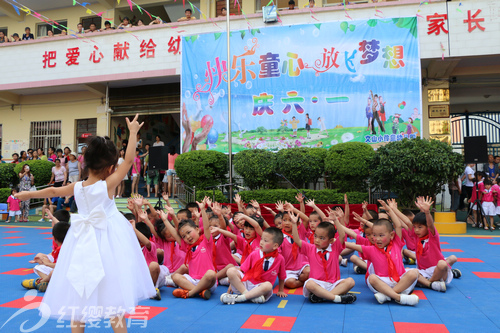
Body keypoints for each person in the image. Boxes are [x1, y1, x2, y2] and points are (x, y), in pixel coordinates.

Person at [15, 114, 156, 329]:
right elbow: (128, 161)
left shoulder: (77, 186)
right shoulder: (107, 184)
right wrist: (134, 132)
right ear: (110, 167)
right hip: (109, 240)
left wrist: (27, 195)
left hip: (81, 240)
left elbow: (53, 190)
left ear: (85, 163)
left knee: (78, 293)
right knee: (115, 301)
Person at [346, 200, 420, 306]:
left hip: (399, 280)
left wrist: (390, 209)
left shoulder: (396, 244)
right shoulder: (371, 249)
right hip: (383, 282)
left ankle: (387, 295)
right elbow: (352, 245)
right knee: (372, 278)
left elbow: (398, 226)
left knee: (414, 273)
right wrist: (333, 241)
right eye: (374, 235)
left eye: (381, 235)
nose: (377, 239)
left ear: (391, 235)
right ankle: (399, 297)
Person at [290, 212, 357, 304]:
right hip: (318, 284)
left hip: (333, 283)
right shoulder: (310, 248)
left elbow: (341, 235)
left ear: (330, 240)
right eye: (316, 236)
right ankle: (336, 298)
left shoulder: (335, 248)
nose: (317, 240)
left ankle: (323, 297)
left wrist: (336, 220)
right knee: (309, 284)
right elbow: (297, 240)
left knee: (351, 281)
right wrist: (294, 224)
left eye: (322, 238)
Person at [220, 226, 287, 304]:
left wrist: (281, 291)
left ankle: (239, 298)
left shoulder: (280, 259)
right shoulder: (254, 254)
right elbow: (242, 269)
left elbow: (282, 276)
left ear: (275, 246)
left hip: (261, 288)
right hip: (247, 284)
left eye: (265, 240)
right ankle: (247, 296)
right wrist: (232, 282)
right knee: (231, 271)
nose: (261, 242)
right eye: (261, 239)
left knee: (268, 285)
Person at [410, 197, 461, 291]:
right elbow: (418, 222)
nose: (416, 230)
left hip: (437, 271)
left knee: (443, 263)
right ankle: (434, 283)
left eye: (420, 227)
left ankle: (429, 283)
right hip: (424, 271)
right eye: (415, 227)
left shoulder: (433, 237)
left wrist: (427, 212)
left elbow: (429, 224)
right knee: (409, 272)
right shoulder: (418, 236)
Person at [171, 197, 217, 299]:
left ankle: (190, 293)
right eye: (184, 236)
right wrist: (166, 219)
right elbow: (175, 234)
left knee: (211, 273)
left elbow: (206, 227)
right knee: (175, 276)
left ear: (197, 229)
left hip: (208, 281)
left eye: (189, 232)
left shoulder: (206, 241)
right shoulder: (187, 246)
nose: (187, 237)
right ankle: (200, 292)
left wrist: (203, 210)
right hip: (193, 280)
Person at [22, 219, 71, 292]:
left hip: (65, 272)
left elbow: (61, 265)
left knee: (45, 270)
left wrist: (47, 264)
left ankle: (40, 282)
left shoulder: (63, 249)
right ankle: (47, 281)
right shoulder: (69, 246)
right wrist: (45, 260)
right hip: (67, 272)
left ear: (54, 238)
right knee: (40, 265)